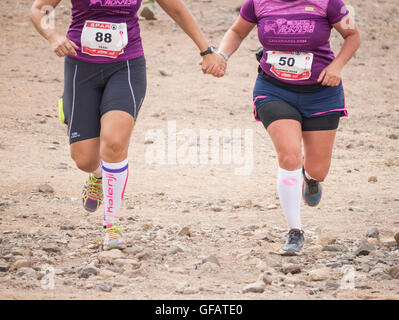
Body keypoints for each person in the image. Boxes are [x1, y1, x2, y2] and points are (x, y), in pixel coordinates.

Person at [30, 0, 226, 250]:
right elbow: (39, 9)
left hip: (126, 67)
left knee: (113, 143)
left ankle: (111, 226)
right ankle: (97, 174)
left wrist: (206, 50)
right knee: (85, 160)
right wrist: (52, 34)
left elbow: (176, 9)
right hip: (81, 67)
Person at [208, 0, 361, 253]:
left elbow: (353, 36)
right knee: (290, 155)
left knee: (318, 169)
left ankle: (310, 180)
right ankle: (295, 231)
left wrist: (337, 65)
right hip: (274, 89)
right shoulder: (258, 3)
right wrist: (222, 55)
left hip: (322, 92)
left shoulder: (328, 3)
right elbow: (237, 31)